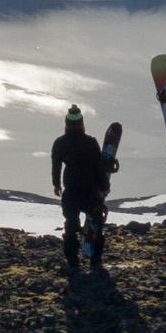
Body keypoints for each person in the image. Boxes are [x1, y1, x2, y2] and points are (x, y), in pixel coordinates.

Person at [50, 106, 114, 275]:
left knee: (71, 223)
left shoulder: (60, 143)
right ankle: (95, 260)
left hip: (71, 188)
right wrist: (104, 185)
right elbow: (99, 167)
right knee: (95, 222)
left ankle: (73, 261)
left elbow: (56, 165)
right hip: (90, 189)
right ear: (81, 124)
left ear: (66, 124)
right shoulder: (90, 142)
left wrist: (56, 184)